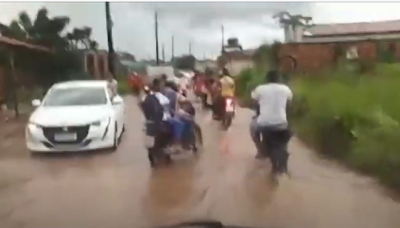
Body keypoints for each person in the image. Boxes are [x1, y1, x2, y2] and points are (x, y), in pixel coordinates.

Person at [251, 70, 293, 176]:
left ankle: (260, 150)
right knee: (285, 139)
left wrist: (258, 113)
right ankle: (282, 158)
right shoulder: (286, 89)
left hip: (264, 125)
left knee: (252, 128)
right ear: (279, 79)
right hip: (282, 124)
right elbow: (288, 106)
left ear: (267, 79)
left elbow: (255, 103)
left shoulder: (260, 89)